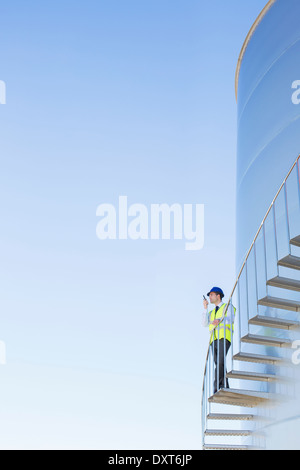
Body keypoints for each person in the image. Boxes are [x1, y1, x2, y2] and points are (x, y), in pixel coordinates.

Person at [202, 287, 236, 393]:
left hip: (224, 337)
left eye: (211, 295)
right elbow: (204, 323)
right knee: (219, 363)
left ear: (218, 296)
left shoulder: (227, 307)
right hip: (214, 340)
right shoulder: (211, 312)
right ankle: (225, 385)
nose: (209, 297)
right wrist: (205, 308)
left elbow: (231, 318)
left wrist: (220, 320)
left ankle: (217, 386)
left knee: (220, 361)